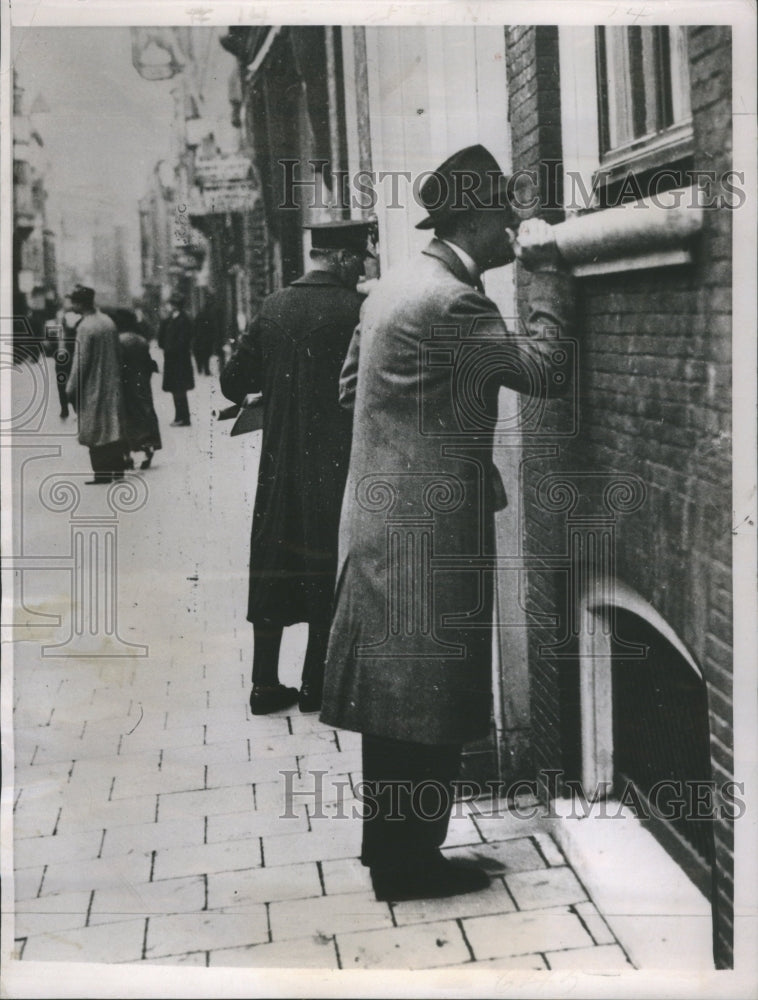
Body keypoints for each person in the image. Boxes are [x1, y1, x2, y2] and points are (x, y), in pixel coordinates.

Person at [319, 145, 575, 902]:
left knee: (396, 701)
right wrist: (550, 275)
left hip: (380, 525)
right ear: (477, 217)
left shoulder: (393, 287)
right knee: (424, 697)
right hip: (425, 537)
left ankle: (391, 856)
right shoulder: (456, 301)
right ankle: (412, 867)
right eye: (507, 212)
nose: (516, 226)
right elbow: (545, 372)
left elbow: (347, 390)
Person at [220, 220, 375, 716]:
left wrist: (276, 383)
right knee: (325, 564)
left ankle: (263, 684)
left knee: (272, 563)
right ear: (347, 259)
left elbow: (231, 382)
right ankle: (316, 683)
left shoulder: (274, 305)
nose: (366, 267)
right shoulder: (358, 310)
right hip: (336, 464)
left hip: (280, 463)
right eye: (363, 259)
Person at [65, 284, 125, 485]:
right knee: (111, 426)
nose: (71, 304)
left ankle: (102, 473)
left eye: (73, 301)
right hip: (112, 383)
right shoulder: (108, 322)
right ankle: (118, 470)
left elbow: (80, 362)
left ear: (80, 304)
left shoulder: (85, 327)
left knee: (94, 428)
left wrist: (71, 388)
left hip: (92, 385)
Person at [113, 307, 162, 470]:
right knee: (145, 413)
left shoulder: (119, 340)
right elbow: (148, 362)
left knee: (126, 417)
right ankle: (148, 446)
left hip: (125, 383)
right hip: (142, 382)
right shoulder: (141, 339)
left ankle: (127, 454)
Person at [158, 290, 194, 426]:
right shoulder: (170, 319)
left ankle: (183, 418)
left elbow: (183, 340)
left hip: (180, 360)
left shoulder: (184, 320)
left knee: (180, 390)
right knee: (175, 390)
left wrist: (171, 349)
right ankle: (180, 416)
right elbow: (161, 338)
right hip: (172, 360)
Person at [55, 295, 81, 419]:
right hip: (73, 353)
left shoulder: (61, 316)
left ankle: (65, 409)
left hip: (64, 354)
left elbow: (59, 336)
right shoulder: (80, 317)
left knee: (62, 382)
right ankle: (74, 408)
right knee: (74, 381)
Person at [192, 291, 218, 375]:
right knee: (206, 354)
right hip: (206, 338)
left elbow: (195, 326)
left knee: (201, 354)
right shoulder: (210, 315)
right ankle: (205, 369)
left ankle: (200, 368)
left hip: (200, 337)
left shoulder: (200, 314)